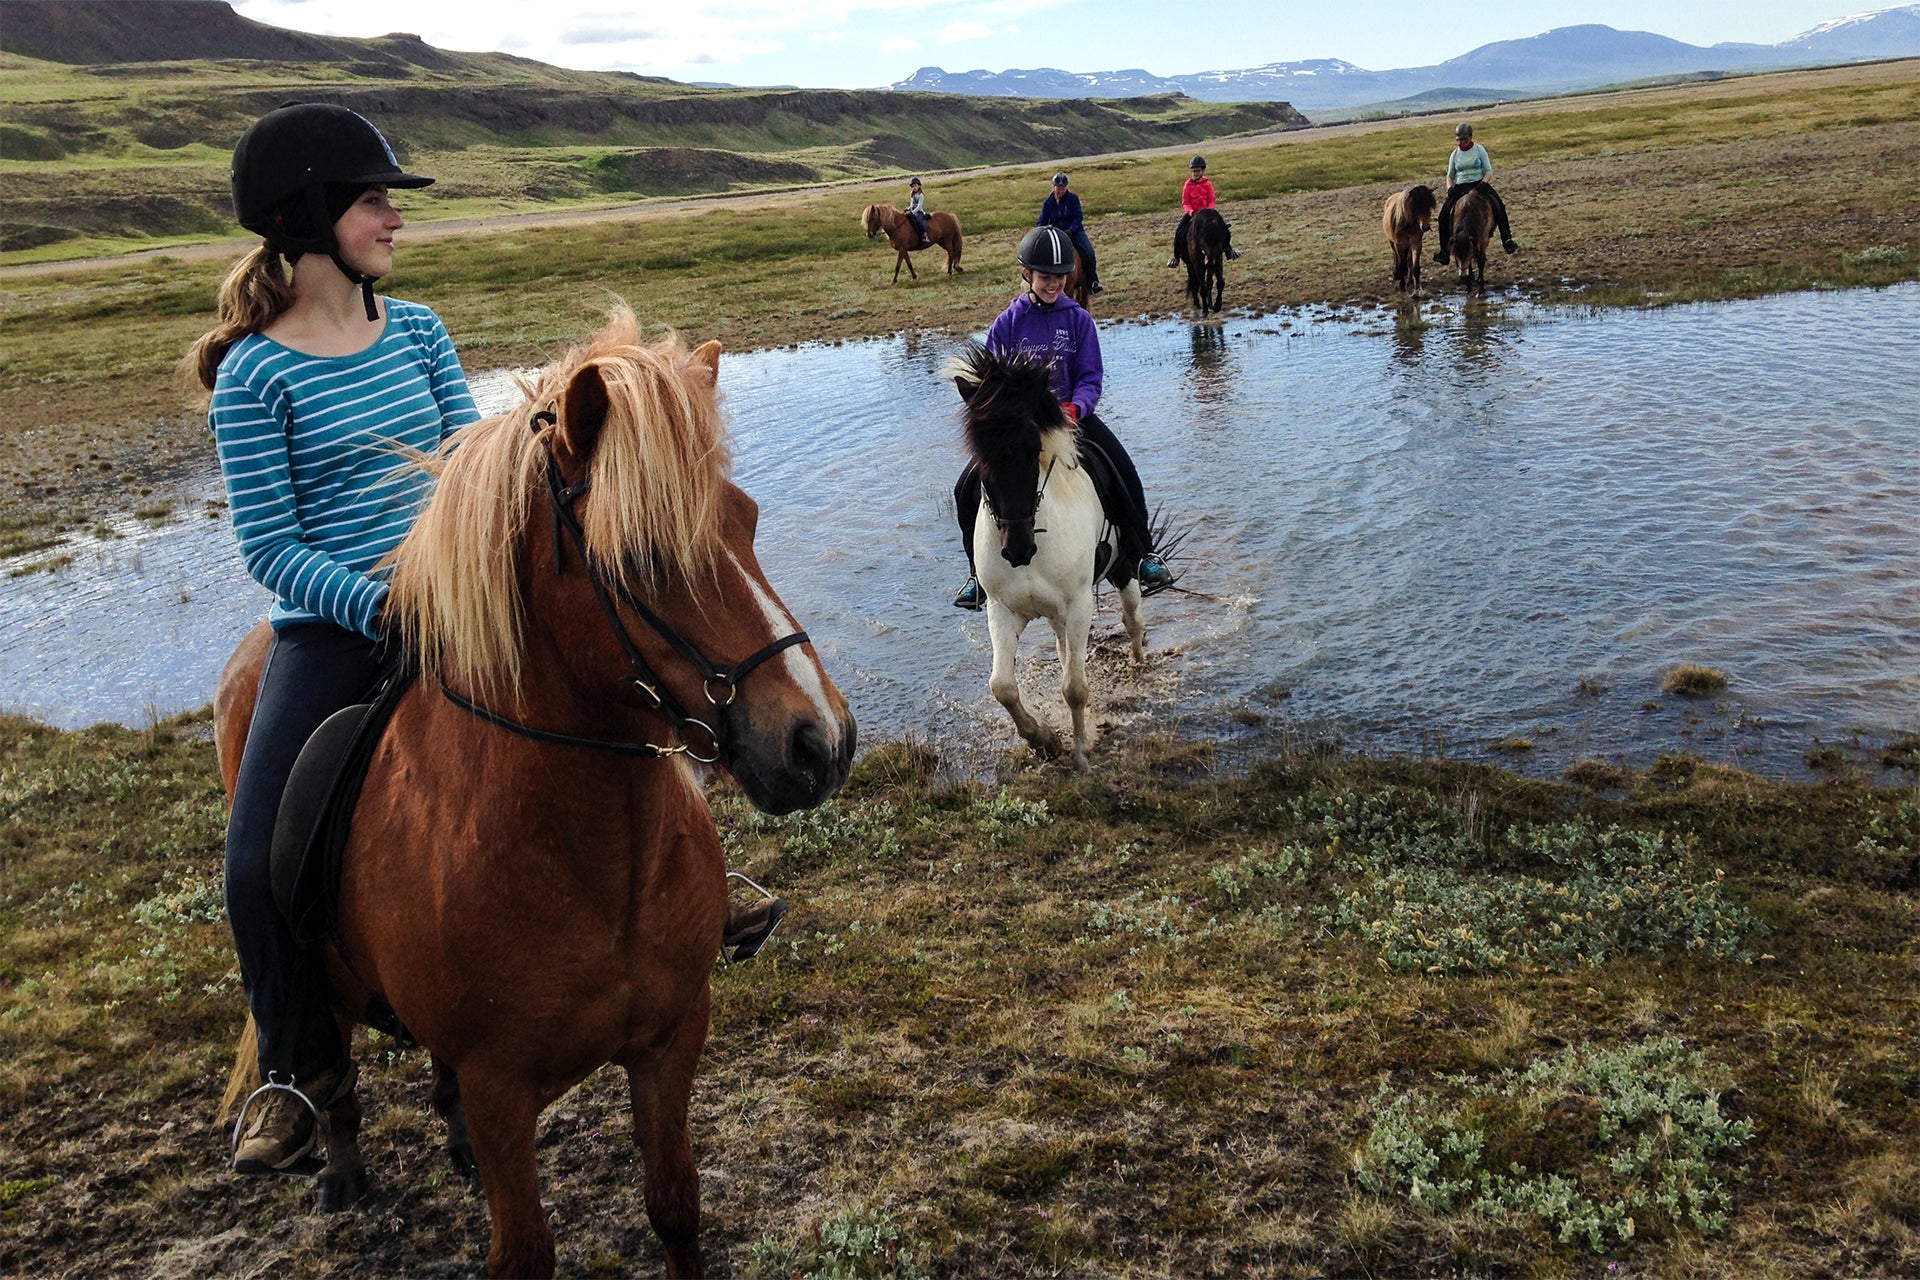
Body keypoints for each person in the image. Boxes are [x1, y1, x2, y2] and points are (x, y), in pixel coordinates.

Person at [188, 104, 786, 1179]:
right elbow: (272, 549)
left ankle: (704, 879)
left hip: (455, 596)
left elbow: (470, 459)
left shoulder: (414, 331)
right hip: (338, 628)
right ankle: (295, 1065)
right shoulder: (252, 376)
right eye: (373, 200)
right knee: (251, 859)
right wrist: (380, 604)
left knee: (621, 696)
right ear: (309, 217)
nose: (391, 219)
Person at [951, 226, 1174, 611]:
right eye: (1044, 277)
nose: (1053, 284)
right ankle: (976, 575)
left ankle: (1143, 556)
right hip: (1019, 428)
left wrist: (1076, 408)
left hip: (1071, 422)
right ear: (1027, 276)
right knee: (964, 488)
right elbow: (993, 382)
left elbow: (1091, 379)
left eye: (1059, 277)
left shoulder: (1079, 320)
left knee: (1123, 471)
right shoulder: (1007, 323)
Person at [1434, 122, 1517, 263]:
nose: (1462, 142)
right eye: (1460, 139)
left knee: (1499, 206)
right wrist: (1450, 188)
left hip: (1479, 184)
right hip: (1460, 186)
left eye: (1465, 139)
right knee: (1443, 215)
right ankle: (1444, 251)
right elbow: (1450, 175)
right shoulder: (1454, 154)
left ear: (1470, 137)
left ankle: (1507, 240)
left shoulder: (1479, 150)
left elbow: (1488, 171)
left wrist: (1483, 183)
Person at [1167, 155, 1241, 268]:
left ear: (1203, 171)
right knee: (1179, 232)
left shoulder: (1208, 184)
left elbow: (1211, 200)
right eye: (1194, 171)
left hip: (1207, 214)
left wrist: (1209, 211)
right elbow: (1185, 202)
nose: (1195, 173)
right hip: (1193, 213)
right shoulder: (1188, 185)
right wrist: (1191, 212)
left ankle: (1228, 250)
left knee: (1223, 228)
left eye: (1198, 171)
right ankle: (1176, 257)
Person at [1036, 172, 1102, 294]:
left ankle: (1093, 282)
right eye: (1058, 187)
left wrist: (1071, 229)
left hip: (1075, 232)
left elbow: (1078, 217)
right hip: (1058, 233)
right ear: (1053, 186)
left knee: (1089, 253)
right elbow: (1042, 220)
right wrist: (1040, 232)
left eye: (1063, 188)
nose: (1060, 190)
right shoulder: (1048, 203)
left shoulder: (1073, 199)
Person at [905, 176, 930, 246]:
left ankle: (925, 235)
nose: (914, 187)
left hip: (919, 212)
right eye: (913, 186)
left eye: (915, 186)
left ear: (919, 186)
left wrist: (912, 212)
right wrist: (907, 209)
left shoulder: (921, 195)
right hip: (912, 211)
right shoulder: (912, 195)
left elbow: (919, 206)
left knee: (919, 221)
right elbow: (911, 205)